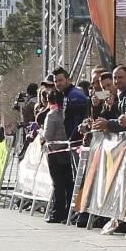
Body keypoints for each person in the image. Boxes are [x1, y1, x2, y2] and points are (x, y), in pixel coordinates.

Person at [42, 89, 74, 223]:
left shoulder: (52, 115)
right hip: (69, 151)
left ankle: (57, 212)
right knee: (69, 184)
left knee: (58, 184)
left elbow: (47, 135)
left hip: (55, 152)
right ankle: (69, 212)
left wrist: (41, 136)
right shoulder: (68, 115)